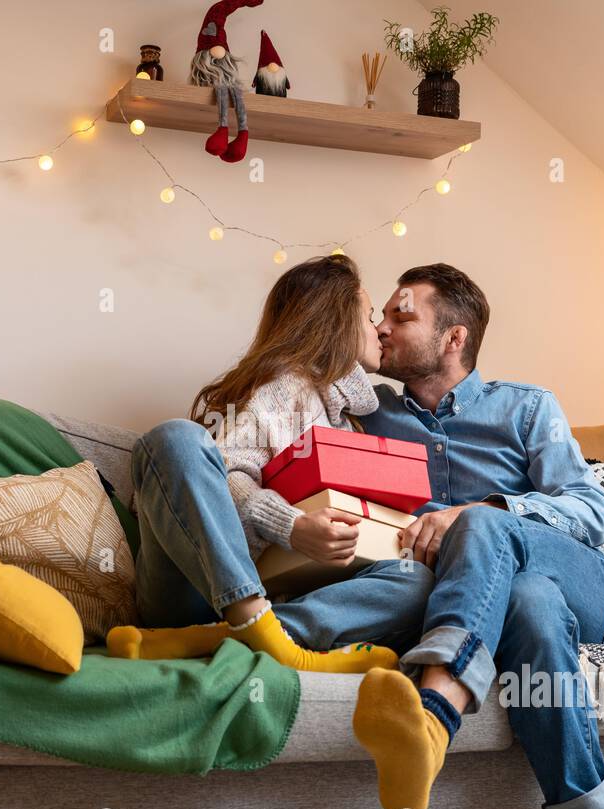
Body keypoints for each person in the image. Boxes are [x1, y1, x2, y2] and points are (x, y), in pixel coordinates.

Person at [350, 263, 604, 809]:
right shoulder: (369, 416)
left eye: (401, 316)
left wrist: (483, 511)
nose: (381, 328)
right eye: (378, 316)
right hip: (513, 600)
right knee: (528, 602)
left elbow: (590, 511)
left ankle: (436, 710)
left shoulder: (528, 407)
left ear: (453, 339)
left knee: (482, 524)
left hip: (585, 586)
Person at [106, 254, 432, 672]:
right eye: (368, 315)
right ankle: (268, 638)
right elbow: (229, 475)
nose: (378, 329)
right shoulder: (285, 389)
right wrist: (292, 527)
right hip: (195, 591)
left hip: (280, 595)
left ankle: (219, 639)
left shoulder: (352, 422)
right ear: (335, 319)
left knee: (416, 581)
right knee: (174, 439)